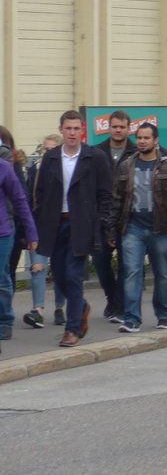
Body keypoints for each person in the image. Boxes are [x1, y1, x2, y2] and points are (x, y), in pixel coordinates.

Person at [33, 110, 113, 348]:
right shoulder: (52, 158)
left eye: (76, 128)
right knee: (59, 276)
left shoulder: (95, 157)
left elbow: (105, 194)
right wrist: (39, 221)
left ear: (82, 130)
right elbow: (39, 192)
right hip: (54, 223)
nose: (72, 133)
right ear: (61, 130)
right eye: (68, 128)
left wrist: (100, 224)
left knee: (74, 276)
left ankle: (72, 329)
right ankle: (82, 308)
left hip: (81, 224)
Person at [105, 122, 167, 333]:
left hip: (160, 229)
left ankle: (163, 314)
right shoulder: (126, 166)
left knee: (163, 274)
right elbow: (117, 200)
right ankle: (132, 318)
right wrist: (112, 230)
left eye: (146, 138)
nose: (142, 142)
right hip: (133, 228)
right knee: (132, 271)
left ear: (155, 140)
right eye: (139, 138)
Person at [93, 111, 137, 323]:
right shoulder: (96, 152)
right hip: (102, 218)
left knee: (126, 265)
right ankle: (112, 298)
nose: (118, 130)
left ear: (129, 129)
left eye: (122, 127)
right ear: (109, 128)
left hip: (128, 218)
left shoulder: (137, 152)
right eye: (115, 126)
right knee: (101, 262)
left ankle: (119, 306)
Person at [22, 134, 66, 328]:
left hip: (60, 226)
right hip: (38, 226)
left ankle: (59, 307)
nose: (48, 154)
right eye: (45, 150)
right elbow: (27, 200)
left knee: (60, 269)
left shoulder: (66, 170)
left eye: (52, 150)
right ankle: (37, 309)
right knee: (37, 269)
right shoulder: (34, 171)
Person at [0, 154, 38, 345]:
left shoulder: (4, 168)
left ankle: (5, 320)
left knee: (1, 277)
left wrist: (31, 233)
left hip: (2, 233)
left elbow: (20, 201)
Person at [0, 125, 30, 289]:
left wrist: (24, 230)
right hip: (11, 225)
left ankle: (5, 312)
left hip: (11, 226)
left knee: (6, 274)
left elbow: (21, 198)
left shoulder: (11, 166)